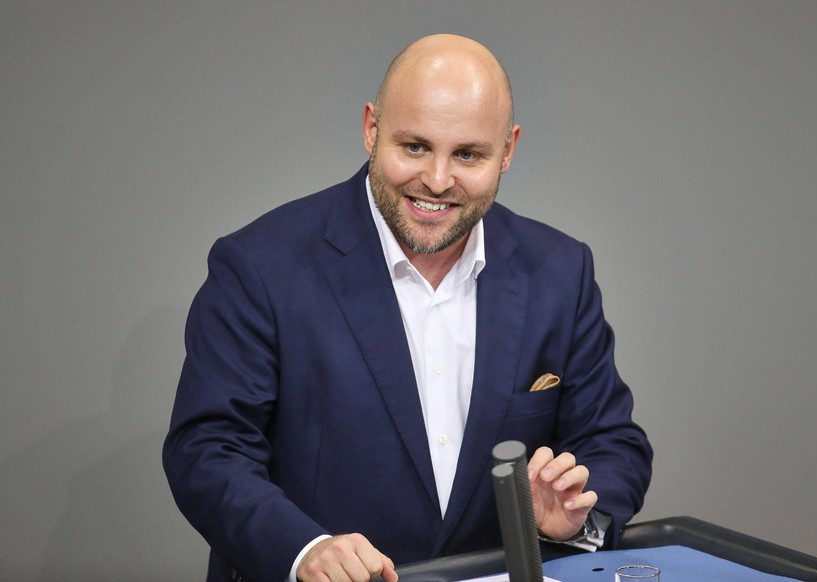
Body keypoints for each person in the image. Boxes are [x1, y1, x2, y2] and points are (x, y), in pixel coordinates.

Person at [163, 34, 653, 582]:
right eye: (415, 147)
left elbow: (612, 443)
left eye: (467, 154)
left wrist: (574, 522)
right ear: (371, 129)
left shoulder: (560, 270)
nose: (437, 182)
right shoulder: (260, 265)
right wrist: (305, 550)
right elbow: (208, 450)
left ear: (508, 150)